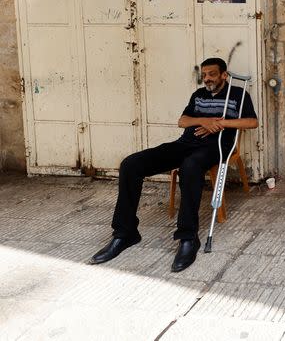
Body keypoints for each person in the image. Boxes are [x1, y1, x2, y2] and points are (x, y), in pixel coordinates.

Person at [89, 57, 258, 272]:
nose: (207, 79)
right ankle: (125, 233)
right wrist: (203, 121)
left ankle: (188, 237)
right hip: (185, 144)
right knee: (131, 164)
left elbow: (251, 122)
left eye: (212, 74)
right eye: (204, 75)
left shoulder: (238, 95)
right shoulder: (198, 96)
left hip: (215, 147)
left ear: (224, 75)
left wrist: (219, 123)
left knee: (190, 166)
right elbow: (182, 121)